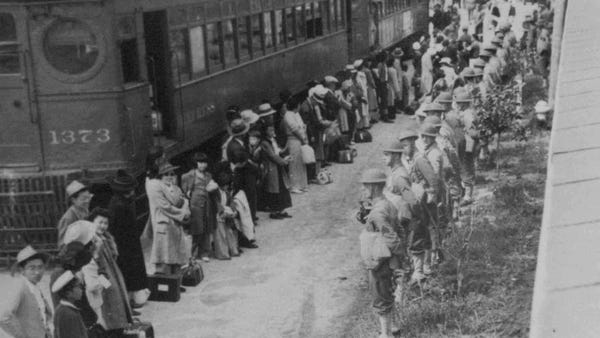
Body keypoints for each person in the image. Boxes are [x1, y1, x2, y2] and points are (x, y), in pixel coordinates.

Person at [358, 168, 404, 338]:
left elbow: (391, 236)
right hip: (386, 257)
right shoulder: (387, 204)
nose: (363, 190)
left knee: (380, 294)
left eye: (365, 186)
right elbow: (398, 229)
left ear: (373, 188)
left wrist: (396, 258)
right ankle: (392, 327)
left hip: (381, 259)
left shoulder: (378, 212)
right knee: (387, 291)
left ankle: (386, 334)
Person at [87, 208, 133, 334]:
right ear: (92, 222)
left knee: (116, 298)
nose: (103, 226)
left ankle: (119, 326)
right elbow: (92, 262)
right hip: (101, 274)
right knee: (108, 298)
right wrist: (105, 281)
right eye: (100, 222)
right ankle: (112, 328)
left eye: (105, 223)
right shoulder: (91, 239)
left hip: (111, 272)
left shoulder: (106, 238)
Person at [107, 170, 149, 306]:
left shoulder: (118, 202)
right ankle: (131, 300)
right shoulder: (121, 206)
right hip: (126, 247)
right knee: (130, 273)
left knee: (128, 273)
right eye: (131, 190)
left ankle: (131, 298)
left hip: (126, 245)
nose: (133, 193)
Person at [147, 162, 191, 275]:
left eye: (172, 174)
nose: (170, 177)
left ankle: (175, 284)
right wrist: (182, 213)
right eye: (166, 174)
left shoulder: (176, 188)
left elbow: (184, 201)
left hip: (175, 225)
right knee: (164, 258)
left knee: (176, 257)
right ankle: (166, 286)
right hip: (165, 225)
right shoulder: (157, 187)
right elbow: (165, 206)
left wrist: (185, 208)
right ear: (161, 176)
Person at [0, 246, 53, 338]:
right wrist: (21, 336)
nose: (37, 272)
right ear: (22, 271)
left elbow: (43, 315)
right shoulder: (20, 287)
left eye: (40, 267)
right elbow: (4, 317)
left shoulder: (35, 287)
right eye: (32, 268)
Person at [181, 152, 218, 262]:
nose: (203, 165)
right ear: (196, 163)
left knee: (206, 228)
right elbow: (185, 191)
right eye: (200, 163)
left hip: (207, 205)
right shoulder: (188, 175)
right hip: (194, 206)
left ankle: (204, 252)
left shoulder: (208, 175)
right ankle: (192, 253)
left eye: (204, 163)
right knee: (196, 229)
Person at [227, 118, 260, 223]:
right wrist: (256, 168)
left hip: (242, 174)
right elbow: (243, 163)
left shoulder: (234, 143)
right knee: (249, 196)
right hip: (244, 175)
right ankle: (250, 218)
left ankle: (250, 217)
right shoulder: (237, 147)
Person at [257, 126, 293, 220]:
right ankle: (274, 212)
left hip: (278, 167)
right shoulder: (265, 143)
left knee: (281, 188)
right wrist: (284, 161)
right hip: (271, 168)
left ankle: (281, 210)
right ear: (265, 132)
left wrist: (285, 150)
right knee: (274, 190)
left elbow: (277, 151)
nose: (273, 131)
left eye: (273, 129)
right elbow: (272, 156)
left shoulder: (273, 140)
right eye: (270, 130)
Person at [282, 96, 309, 193]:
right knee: (294, 162)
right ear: (296, 105)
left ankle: (302, 184)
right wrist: (302, 138)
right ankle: (294, 185)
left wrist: (304, 137)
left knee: (301, 162)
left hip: (300, 140)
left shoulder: (295, 114)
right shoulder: (288, 115)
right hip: (293, 140)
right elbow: (294, 129)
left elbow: (301, 126)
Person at [212, 168, 240, 260]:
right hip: (219, 215)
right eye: (225, 185)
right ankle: (222, 254)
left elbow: (231, 202)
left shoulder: (227, 193)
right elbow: (216, 204)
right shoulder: (215, 192)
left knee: (230, 233)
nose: (226, 187)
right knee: (221, 234)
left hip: (227, 214)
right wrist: (222, 212)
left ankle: (233, 250)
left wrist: (234, 210)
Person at [52, 271, 88, 338]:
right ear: (68, 293)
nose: (81, 289)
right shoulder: (70, 314)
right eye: (78, 286)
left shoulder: (60, 309)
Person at [58, 180, 93, 246]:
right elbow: (62, 244)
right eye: (84, 198)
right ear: (73, 200)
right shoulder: (68, 218)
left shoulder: (85, 210)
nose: (87, 201)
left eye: (89, 197)